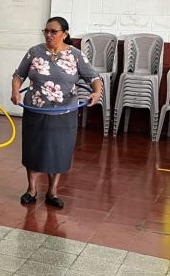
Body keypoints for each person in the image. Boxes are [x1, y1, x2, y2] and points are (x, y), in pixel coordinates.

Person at [10, 16, 102, 209]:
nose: (49, 35)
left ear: (65, 34)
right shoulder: (34, 52)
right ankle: (31, 189)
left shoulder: (75, 55)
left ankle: (52, 191)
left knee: (59, 151)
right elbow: (18, 75)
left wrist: (96, 92)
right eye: (46, 31)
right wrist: (15, 92)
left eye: (53, 31)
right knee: (34, 149)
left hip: (64, 112)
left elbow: (93, 78)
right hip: (36, 109)